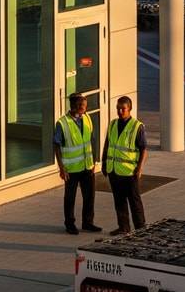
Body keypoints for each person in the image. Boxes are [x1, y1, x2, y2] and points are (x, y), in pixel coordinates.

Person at [53, 92, 101, 235]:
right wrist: (61, 168)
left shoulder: (86, 118)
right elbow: (56, 145)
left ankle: (88, 222)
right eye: (81, 105)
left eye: (85, 106)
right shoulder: (62, 123)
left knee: (89, 196)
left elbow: (91, 141)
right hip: (71, 169)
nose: (83, 108)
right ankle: (69, 223)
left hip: (87, 166)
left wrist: (93, 163)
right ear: (73, 105)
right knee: (70, 198)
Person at [102, 95, 148, 234]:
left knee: (134, 201)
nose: (120, 111)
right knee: (119, 201)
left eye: (123, 109)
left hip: (129, 172)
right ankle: (123, 227)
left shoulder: (137, 127)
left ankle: (140, 228)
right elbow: (107, 145)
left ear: (130, 109)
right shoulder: (113, 124)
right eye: (118, 108)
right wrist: (104, 164)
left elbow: (143, 149)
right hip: (114, 170)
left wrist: (139, 168)